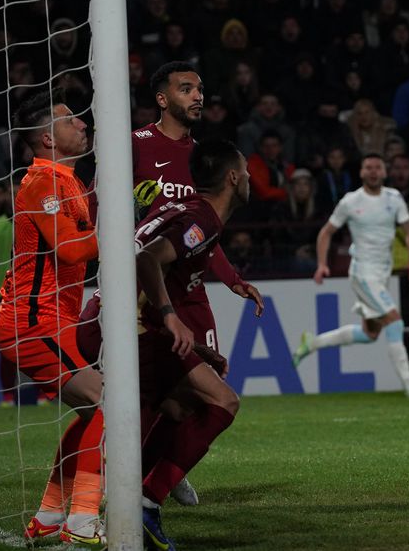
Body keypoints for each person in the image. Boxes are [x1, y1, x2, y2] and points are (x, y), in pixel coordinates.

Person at [128, 61, 264, 508]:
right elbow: (102, 206)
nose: (198, 96)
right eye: (186, 89)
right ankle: (144, 477)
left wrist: (233, 280)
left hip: (188, 288)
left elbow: (206, 235)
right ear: (162, 99)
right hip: (145, 284)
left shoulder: (202, 159)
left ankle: (165, 467)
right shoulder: (135, 146)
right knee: (161, 389)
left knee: (205, 386)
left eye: (201, 89)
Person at [0, 93, 105, 544]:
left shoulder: (70, 181)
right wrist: (125, 228)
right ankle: (81, 520)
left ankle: (51, 515)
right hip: (34, 322)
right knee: (108, 406)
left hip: (53, 320)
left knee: (92, 411)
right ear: (46, 137)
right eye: (69, 120)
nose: (81, 124)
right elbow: (72, 249)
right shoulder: (41, 181)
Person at [130, 140, 252, 549]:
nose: (250, 177)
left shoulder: (184, 209)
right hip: (133, 326)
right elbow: (147, 259)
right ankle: (143, 499)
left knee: (180, 404)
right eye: (247, 171)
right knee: (223, 401)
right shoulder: (203, 219)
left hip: (126, 320)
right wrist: (168, 315)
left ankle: (131, 495)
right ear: (233, 178)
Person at [292, 154, 409, 398]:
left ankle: (312, 343)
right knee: (395, 321)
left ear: (384, 172)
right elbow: (326, 232)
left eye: (377, 167)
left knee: (370, 334)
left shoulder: (394, 198)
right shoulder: (351, 201)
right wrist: (321, 264)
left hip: (382, 273)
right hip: (363, 273)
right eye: (368, 167)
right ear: (361, 172)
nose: (373, 171)